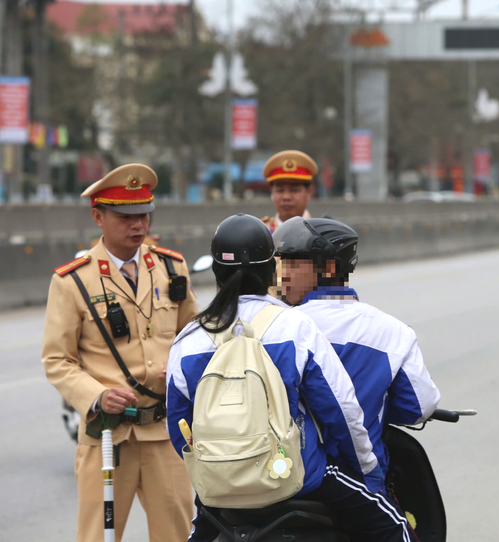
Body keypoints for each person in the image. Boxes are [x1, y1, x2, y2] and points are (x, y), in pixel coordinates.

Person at [166, 213, 413, 542]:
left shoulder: (187, 340)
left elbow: (179, 428)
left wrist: (222, 468)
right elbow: (341, 412)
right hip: (298, 477)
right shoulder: (294, 327)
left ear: (215, 272)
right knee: (394, 529)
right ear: (271, 270)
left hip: (218, 490)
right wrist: (369, 472)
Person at [41, 164, 199, 542]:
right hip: (109, 436)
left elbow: (193, 336)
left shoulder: (169, 267)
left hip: (166, 434)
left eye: (144, 215)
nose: (138, 225)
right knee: (100, 536)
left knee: (179, 534)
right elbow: (57, 360)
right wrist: (96, 395)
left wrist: (181, 369)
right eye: (125, 216)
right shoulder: (72, 281)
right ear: (98, 217)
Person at [273, 217, 441, 482]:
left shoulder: (275, 327)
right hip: (362, 477)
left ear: (328, 268)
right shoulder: (393, 332)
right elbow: (419, 406)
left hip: (286, 478)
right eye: (282, 264)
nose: (283, 274)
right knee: (397, 525)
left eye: (293, 264)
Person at [261, 150, 317, 234]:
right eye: (280, 190)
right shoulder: (261, 233)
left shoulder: (322, 232)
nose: (286, 197)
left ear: (309, 192)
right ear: (272, 191)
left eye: (294, 190)